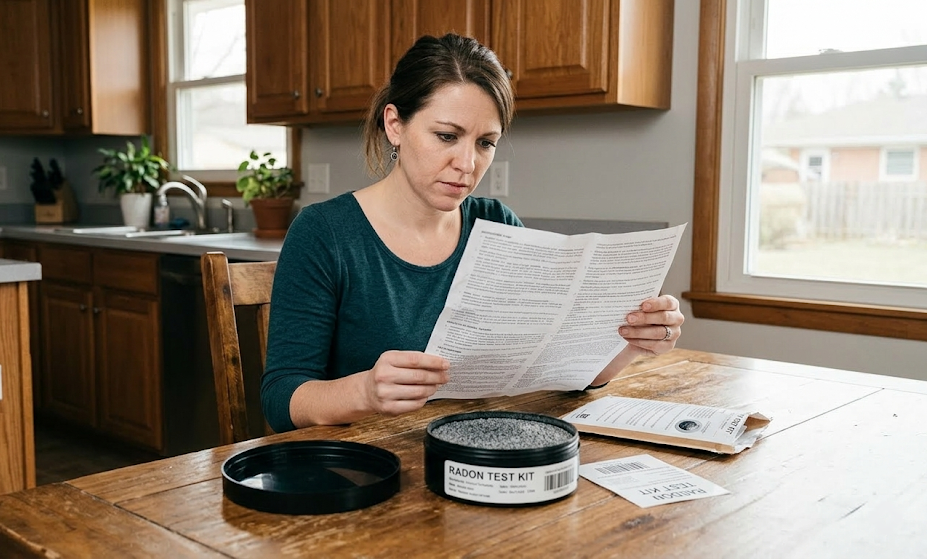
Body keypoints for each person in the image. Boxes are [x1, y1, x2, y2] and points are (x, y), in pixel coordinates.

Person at [261, 33, 685, 433]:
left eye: (485, 143)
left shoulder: (496, 224)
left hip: (479, 452)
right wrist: (364, 391)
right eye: (447, 136)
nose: (467, 163)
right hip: (367, 470)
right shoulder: (325, 233)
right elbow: (282, 399)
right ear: (395, 124)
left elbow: (557, 373)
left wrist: (632, 343)